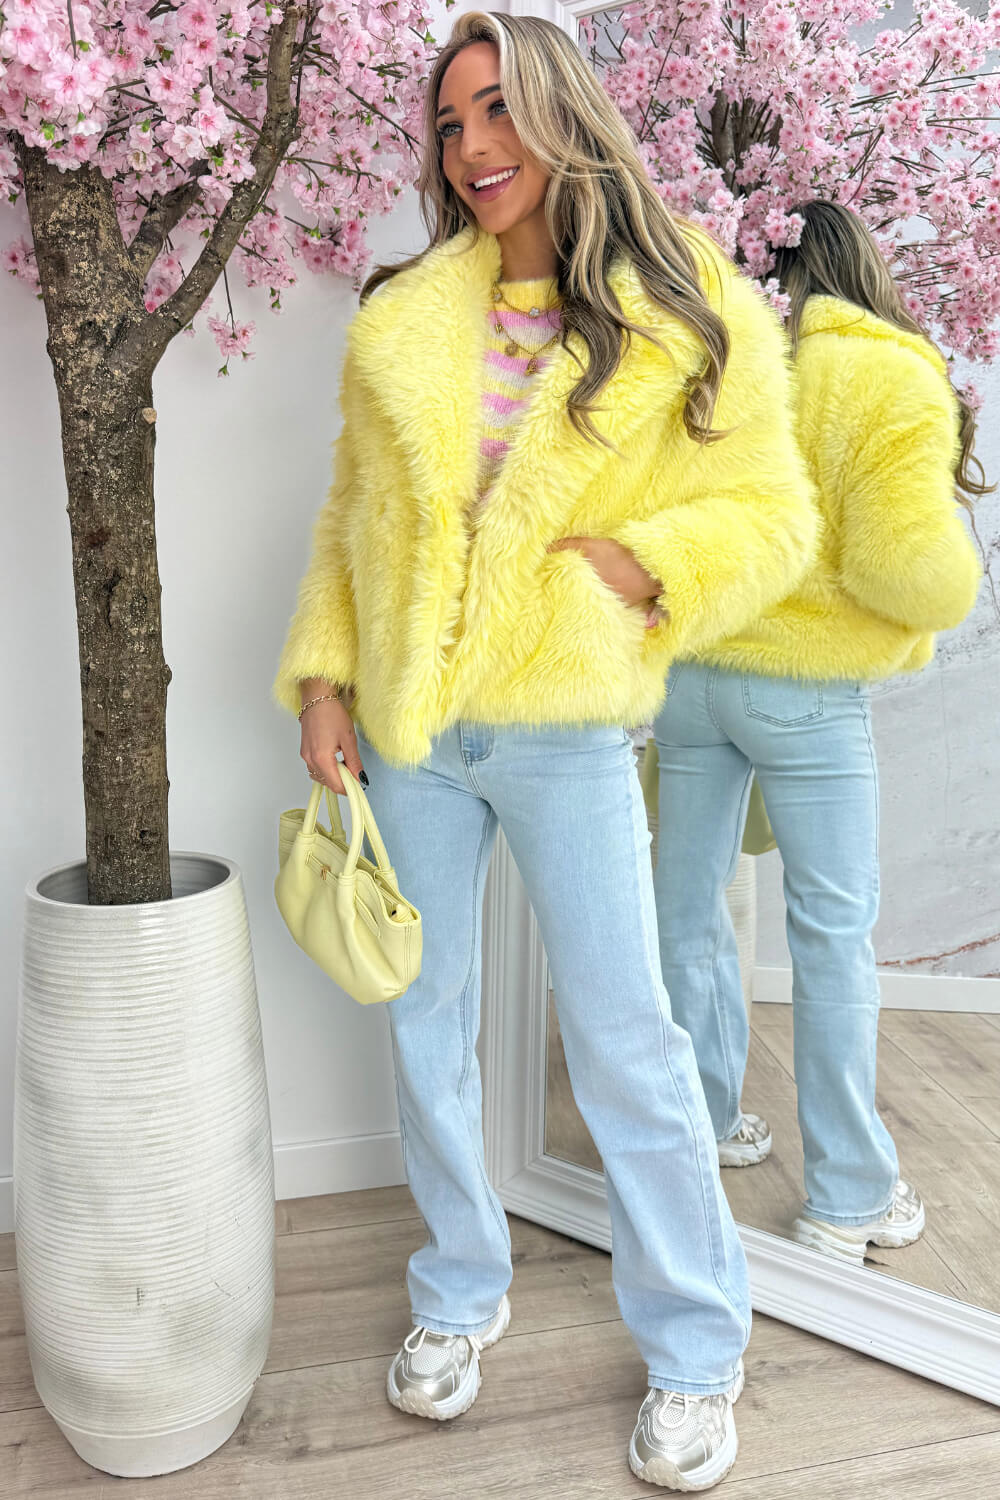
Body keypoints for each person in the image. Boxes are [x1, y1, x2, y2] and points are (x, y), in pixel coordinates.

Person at [273, 12, 818, 1490]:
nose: (474, 146)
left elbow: (773, 514)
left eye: (498, 109)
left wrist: (643, 565)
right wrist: (323, 679)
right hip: (414, 730)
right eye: (451, 123)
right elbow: (351, 516)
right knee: (424, 1021)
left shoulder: (682, 302)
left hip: (566, 726)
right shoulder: (411, 315)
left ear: (564, 112)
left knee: (627, 1039)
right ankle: (460, 1287)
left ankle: (697, 1348)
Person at [650, 198, 986, 1267]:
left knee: (687, 910)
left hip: (693, 678)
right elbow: (907, 569)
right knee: (831, 935)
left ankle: (704, 1126)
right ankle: (847, 1195)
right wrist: (951, 583)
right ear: (862, 267)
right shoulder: (887, 374)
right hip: (803, 692)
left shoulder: (719, 361)